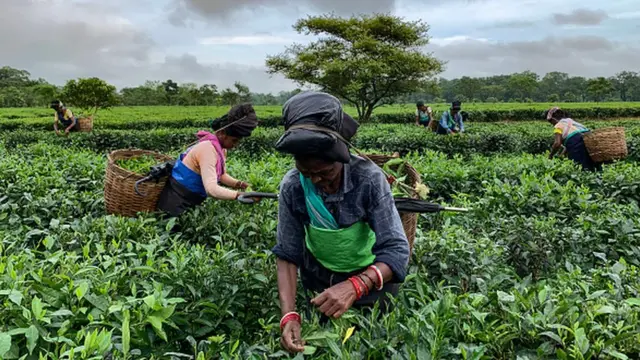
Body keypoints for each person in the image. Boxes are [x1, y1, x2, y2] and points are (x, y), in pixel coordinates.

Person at [272, 91, 410, 354]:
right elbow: (288, 253)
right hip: (321, 284)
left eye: (325, 172)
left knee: (371, 345)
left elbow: (396, 251)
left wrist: (357, 285)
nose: (316, 181)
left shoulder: (368, 179)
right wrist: (289, 315)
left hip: (373, 282)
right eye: (307, 173)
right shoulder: (292, 186)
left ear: (342, 157)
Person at [157, 104, 259, 217]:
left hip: (192, 199)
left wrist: (240, 184)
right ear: (221, 133)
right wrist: (239, 195)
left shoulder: (220, 149)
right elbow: (211, 189)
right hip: (175, 202)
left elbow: (220, 176)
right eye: (234, 140)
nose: (235, 145)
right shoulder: (207, 149)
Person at [546, 106, 601, 171]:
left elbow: (557, 143)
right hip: (588, 138)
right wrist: (561, 155)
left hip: (576, 142)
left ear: (553, 119)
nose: (552, 124)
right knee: (593, 163)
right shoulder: (572, 122)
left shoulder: (558, 126)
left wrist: (550, 156)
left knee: (580, 167)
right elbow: (569, 144)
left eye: (551, 122)